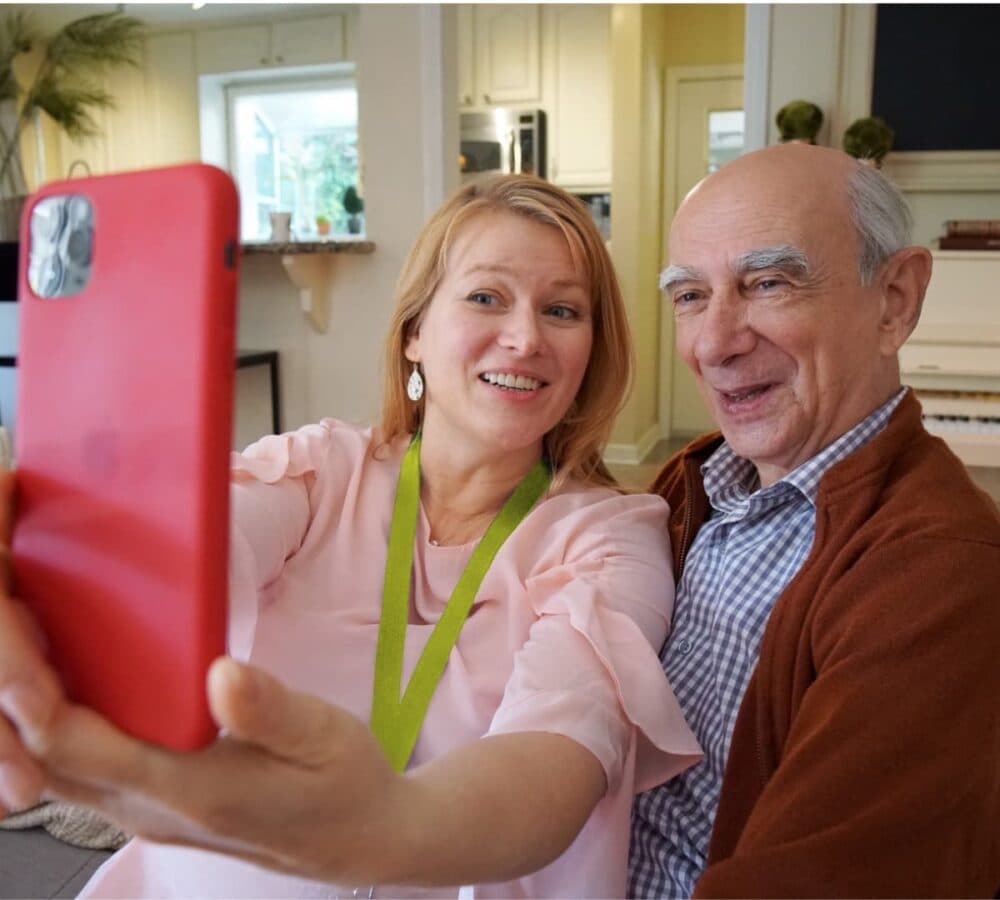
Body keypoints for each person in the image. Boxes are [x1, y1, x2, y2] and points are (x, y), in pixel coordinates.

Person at [0, 174, 702, 898]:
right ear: (414, 336)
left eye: (562, 310)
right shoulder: (318, 472)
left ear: (590, 353)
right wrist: (63, 577)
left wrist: (387, 825)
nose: (525, 338)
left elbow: (562, 753)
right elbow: (188, 558)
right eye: (486, 297)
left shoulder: (610, 539)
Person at [629, 142, 1000, 897]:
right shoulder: (697, 480)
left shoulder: (941, 571)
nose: (714, 343)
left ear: (894, 300)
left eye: (768, 283)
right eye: (690, 296)